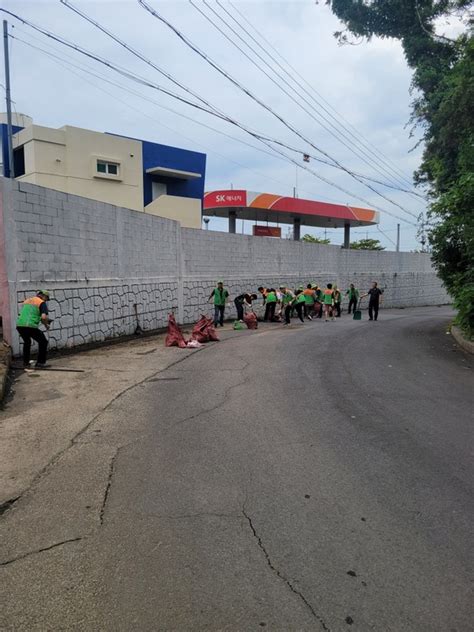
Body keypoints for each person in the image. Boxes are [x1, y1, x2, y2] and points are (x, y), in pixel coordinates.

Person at [16, 290, 51, 368]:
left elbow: (29, 313)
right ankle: (40, 363)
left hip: (20, 325)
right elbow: (43, 317)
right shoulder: (41, 302)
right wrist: (46, 325)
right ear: (43, 296)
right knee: (43, 342)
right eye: (46, 298)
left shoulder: (27, 301)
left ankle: (26, 363)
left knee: (27, 342)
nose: (46, 300)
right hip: (30, 326)